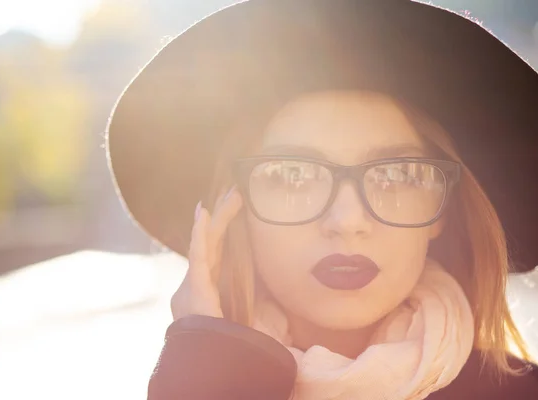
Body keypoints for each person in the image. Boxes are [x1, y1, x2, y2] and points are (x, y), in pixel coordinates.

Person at [106, 0, 538, 398]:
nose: (347, 220)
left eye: (395, 176)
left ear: (441, 210)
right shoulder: (190, 378)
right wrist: (204, 363)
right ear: (235, 211)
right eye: (292, 177)